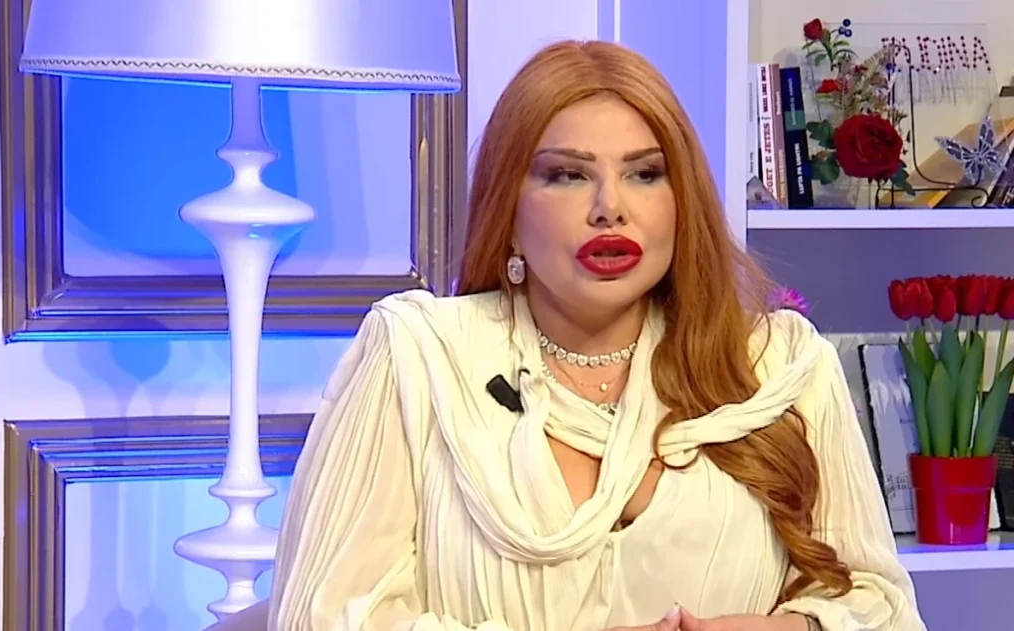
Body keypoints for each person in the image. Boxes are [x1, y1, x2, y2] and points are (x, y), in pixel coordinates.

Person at [266, 40, 927, 631]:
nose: (611, 206)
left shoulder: (780, 365)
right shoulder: (417, 358)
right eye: (567, 174)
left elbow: (882, 608)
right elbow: (323, 614)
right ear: (508, 208)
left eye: (645, 173)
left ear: (682, 201)